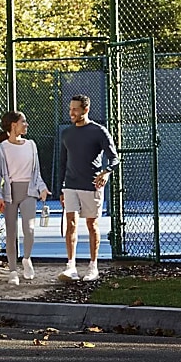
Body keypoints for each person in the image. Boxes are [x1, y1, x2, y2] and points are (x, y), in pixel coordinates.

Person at [57, 94, 119, 282]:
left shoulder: (99, 131)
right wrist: (61, 189)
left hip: (92, 186)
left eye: (75, 109)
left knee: (92, 225)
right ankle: (71, 267)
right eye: (70, 109)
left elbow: (114, 159)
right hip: (70, 186)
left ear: (86, 109)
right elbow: (62, 163)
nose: (71, 112)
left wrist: (106, 172)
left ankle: (93, 267)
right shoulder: (66, 133)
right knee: (70, 223)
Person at [0, 111, 50, 286]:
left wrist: (42, 188)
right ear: (13, 125)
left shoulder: (31, 145)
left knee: (29, 229)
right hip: (9, 195)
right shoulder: (1, 148)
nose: (26, 124)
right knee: (11, 233)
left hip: (29, 192)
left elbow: (36, 172)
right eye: (23, 121)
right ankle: (12, 271)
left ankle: (26, 259)